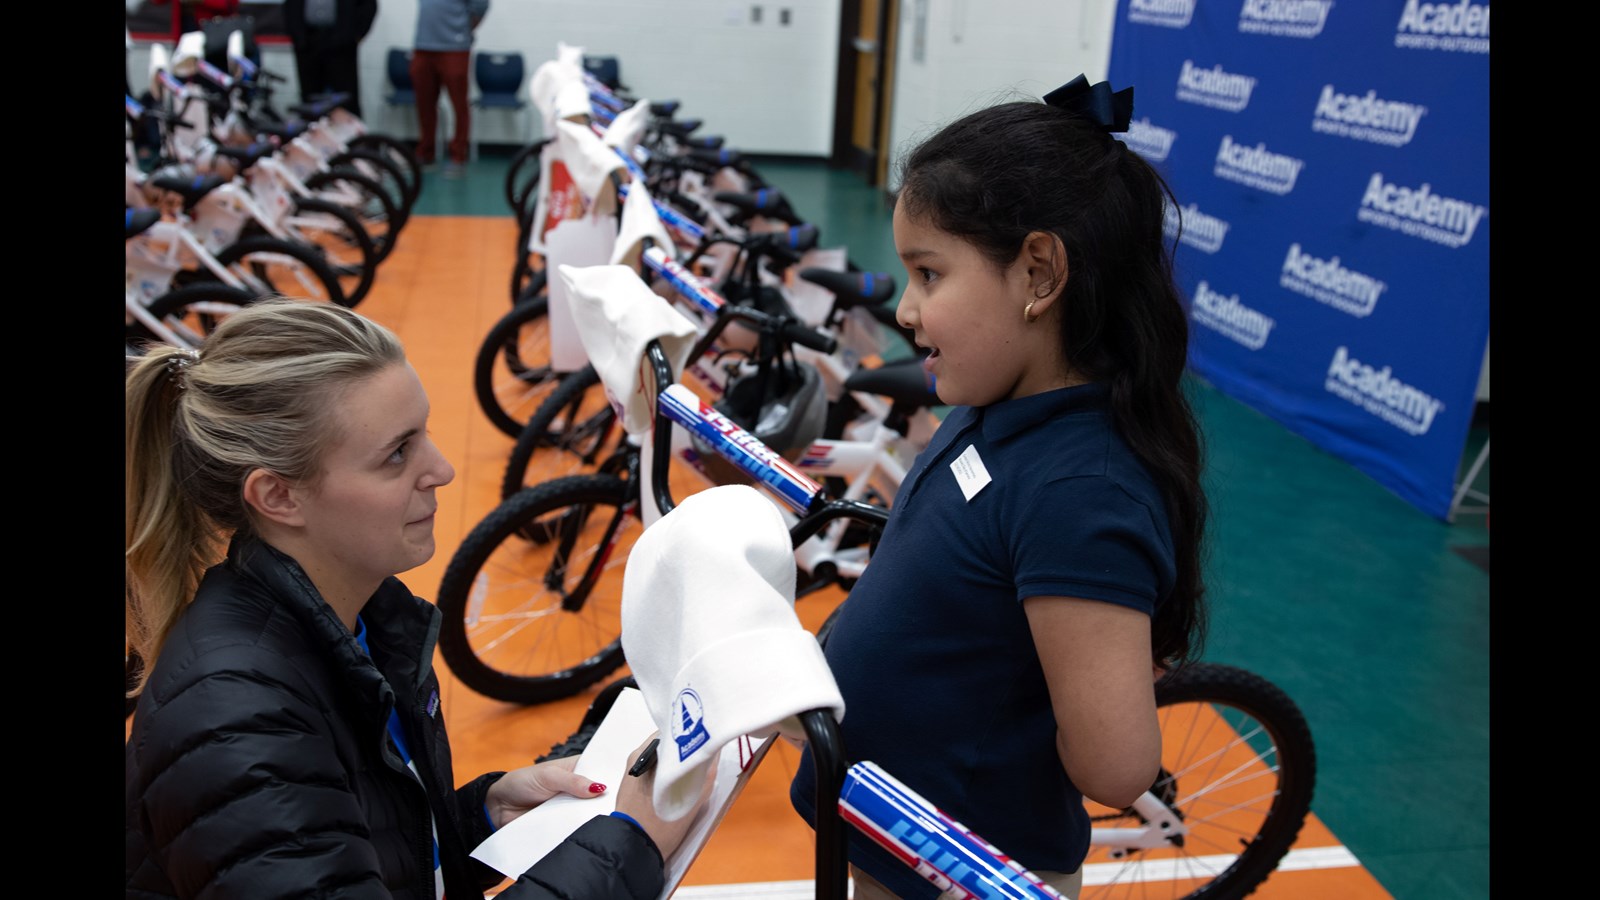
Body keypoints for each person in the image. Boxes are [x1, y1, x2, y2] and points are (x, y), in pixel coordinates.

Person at [125, 299, 708, 897]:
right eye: (397, 453)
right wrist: (628, 842)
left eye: (423, 433)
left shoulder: (357, 624)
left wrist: (478, 818)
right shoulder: (236, 722)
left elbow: (349, 838)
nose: (442, 468)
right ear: (278, 496)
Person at [788, 75, 1210, 900]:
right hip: (885, 839)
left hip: (963, 873)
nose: (908, 311)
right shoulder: (995, 408)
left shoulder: (1080, 491)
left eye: (929, 275)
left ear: (1040, 272)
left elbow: (1119, 765)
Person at [411, 0, 488, 178]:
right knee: (425, 104)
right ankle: (426, 153)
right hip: (423, 45)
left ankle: (458, 156)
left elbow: (481, 6)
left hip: (454, 47)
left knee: (459, 105)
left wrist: (461, 30)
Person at [283, 0, 378, 119]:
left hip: (341, 43)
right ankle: (311, 134)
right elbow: (290, 6)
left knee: (347, 99)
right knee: (309, 99)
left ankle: (351, 136)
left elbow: (368, 5)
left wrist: (355, 35)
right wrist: (296, 35)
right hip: (307, 42)